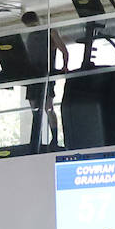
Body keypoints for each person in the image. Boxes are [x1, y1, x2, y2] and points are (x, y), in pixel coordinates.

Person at [20, 11, 69, 147]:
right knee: (35, 108)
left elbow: (63, 50)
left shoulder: (50, 32)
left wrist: (65, 66)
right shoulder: (30, 36)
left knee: (48, 107)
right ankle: (38, 140)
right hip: (33, 74)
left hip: (45, 73)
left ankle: (54, 138)